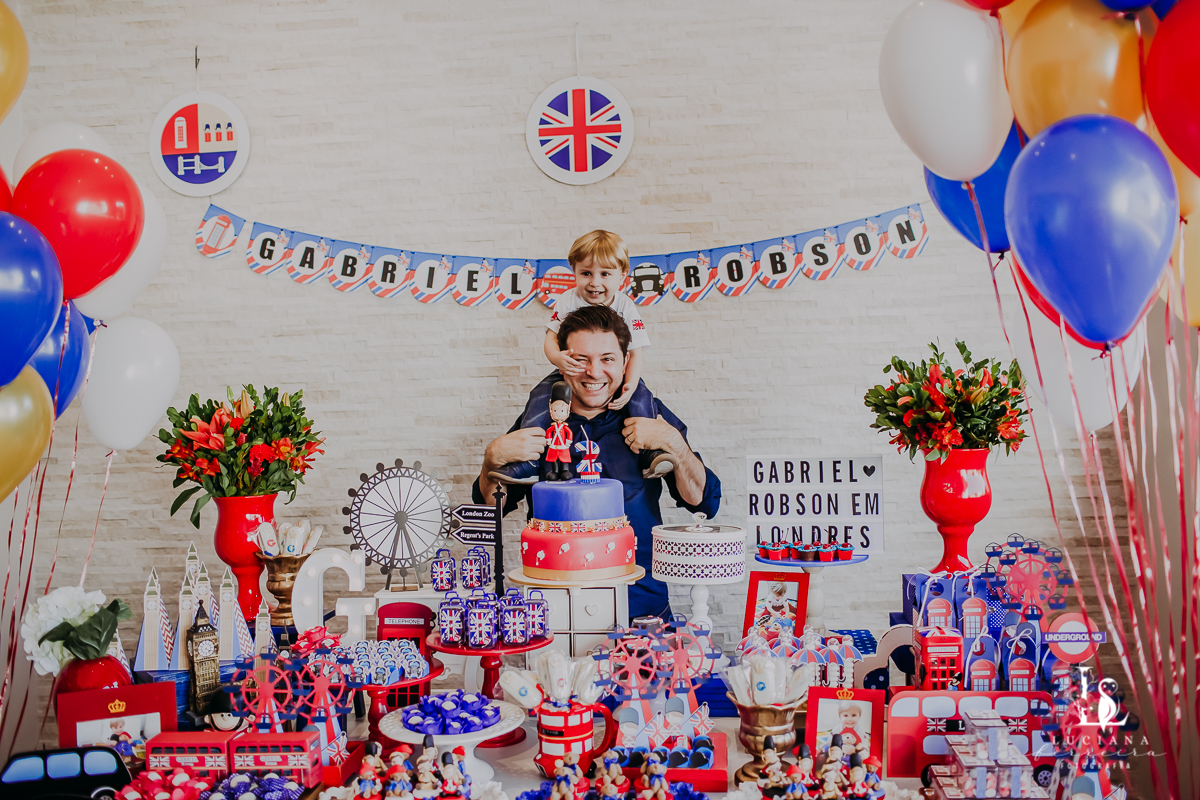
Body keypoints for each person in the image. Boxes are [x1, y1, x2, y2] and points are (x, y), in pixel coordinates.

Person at [474, 304, 722, 619]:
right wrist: (489, 463)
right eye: (580, 359)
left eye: (607, 359)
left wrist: (675, 444)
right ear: (561, 363)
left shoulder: (650, 416)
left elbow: (704, 504)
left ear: (626, 362)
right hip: (556, 609)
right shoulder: (537, 423)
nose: (594, 372)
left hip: (642, 608)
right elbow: (489, 514)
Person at [488, 230, 672, 484]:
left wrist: (630, 384)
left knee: (642, 399)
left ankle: (651, 453)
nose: (594, 282)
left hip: (622, 373)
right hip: (569, 368)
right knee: (540, 397)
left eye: (605, 274)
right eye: (586, 273)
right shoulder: (567, 300)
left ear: (622, 275)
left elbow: (635, 350)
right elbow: (551, 338)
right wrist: (558, 359)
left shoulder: (625, 306)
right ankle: (527, 460)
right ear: (573, 271)